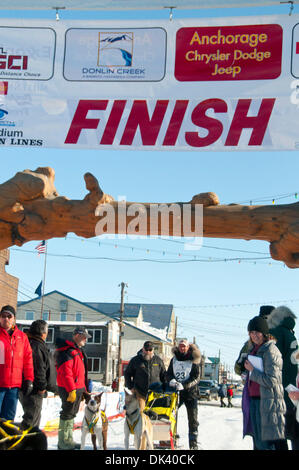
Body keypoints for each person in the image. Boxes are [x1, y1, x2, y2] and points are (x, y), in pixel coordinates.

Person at [242, 316, 286, 450]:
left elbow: (272, 380)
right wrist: (247, 375)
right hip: (256, 401)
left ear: (264, 333)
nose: (254, 335)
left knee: (265, 445)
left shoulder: (271, 351)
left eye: (257, 332)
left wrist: (252, 371)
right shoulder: (255, 349)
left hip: (267, 403)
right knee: (258, 443)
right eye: (251, 332)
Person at [267, 305, 299, 450]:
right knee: (294, 434)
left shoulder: (276, 334)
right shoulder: (291, 334)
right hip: (291, 390)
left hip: (279, 392)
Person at [55, 326, 90, 450]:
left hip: (78, 388)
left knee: (72, 414)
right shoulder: (67, 352)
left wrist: (84, 389)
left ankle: (68, 440)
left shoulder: (77, 351)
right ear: (77, 335)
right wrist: (71, 389)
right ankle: (63, 441)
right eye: (84, 337)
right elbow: (66, 372)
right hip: (69, 389)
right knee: (67, 413)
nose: (86, 340)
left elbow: (81, 373)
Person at [19, 320, 58, 429]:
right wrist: (41, 387)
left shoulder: (30, 343)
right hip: (34, 390)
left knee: (31, 419)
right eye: (47, 331)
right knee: (31, 422)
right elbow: (39, 369)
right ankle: (27, 443)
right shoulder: (36, 346)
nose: (47, 334)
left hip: (28, 387)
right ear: (42, 333)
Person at [0, 305, 34, 421]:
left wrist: (29, 379)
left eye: (9, 316)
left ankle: (7, 439)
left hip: (14, 387)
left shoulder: (22, 337)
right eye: (3, 316)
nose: (6, 319)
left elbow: (28, 359)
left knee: (8, 420)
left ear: (14, 318)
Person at [166, 339, 201, 450]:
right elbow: (169, 373)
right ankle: (170, 439)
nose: (182, 348)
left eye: (184, 346)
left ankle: (193, 443)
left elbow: (196, 377)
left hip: (191, 394)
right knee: (170, 415)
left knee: (193, 419)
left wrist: (185, 385)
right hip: (176, 392)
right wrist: (171, 380)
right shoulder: (174, 359)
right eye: (180, 346)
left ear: (188, 348)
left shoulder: (193, 359)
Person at [124, 341, 166, 413]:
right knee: (141, 413)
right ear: (143, 349)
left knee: (154, 415)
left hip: (155, 394)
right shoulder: (135, 360)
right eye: (146, 350)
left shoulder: (158, 361)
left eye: (150, 350)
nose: (148, 352)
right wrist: (130, 386)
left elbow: (164, 375)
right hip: (140, 392)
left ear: (153, 350)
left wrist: (165, 387)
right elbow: (127, 373)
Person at [234, 305, 275, 377]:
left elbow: (238, 368)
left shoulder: (251, 342)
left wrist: (246, 374)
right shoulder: (277, 339)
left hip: (254, 382)